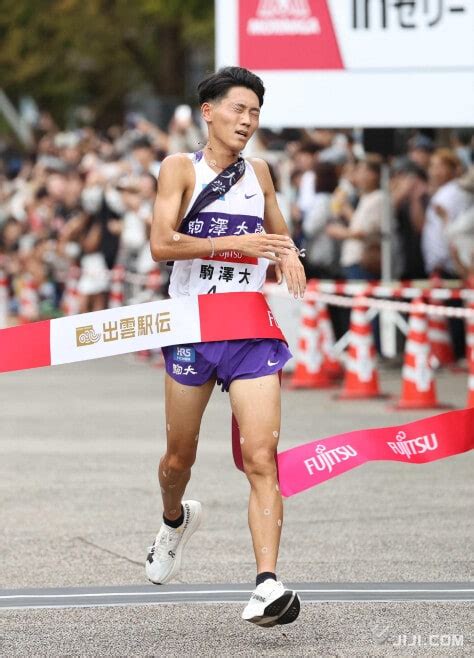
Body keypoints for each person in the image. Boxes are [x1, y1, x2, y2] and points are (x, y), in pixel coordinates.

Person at [148, 66, 306, 628]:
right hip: (191, 328)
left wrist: (288, 256)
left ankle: (267, 584)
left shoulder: (260, 172)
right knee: (178, 459)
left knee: (262, 458)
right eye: (239, 109)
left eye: (256, 113)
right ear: (208, 111)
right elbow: (161, 245)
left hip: (248, 329)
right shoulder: (178, 169)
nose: (248, 121)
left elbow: (280, 236)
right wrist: (240, 241)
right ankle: (173, 520)